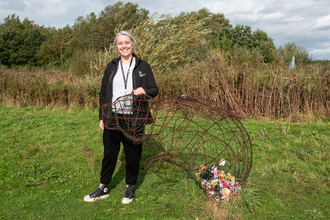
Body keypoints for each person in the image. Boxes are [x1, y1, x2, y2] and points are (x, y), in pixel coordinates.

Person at [84, 31, 158, 204]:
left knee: (133, 153)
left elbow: (154, 89)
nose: (123, 46)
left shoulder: (143, 66)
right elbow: (103, 92)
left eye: (127, 42)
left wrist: (144, 91)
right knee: (109, 153)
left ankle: (130, 186)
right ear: (116, 47)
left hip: (135, 117)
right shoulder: (111, 66)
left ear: (132, 44)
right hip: (112, 116)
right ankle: (103, 188)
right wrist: (102, 116)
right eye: (120, 43)